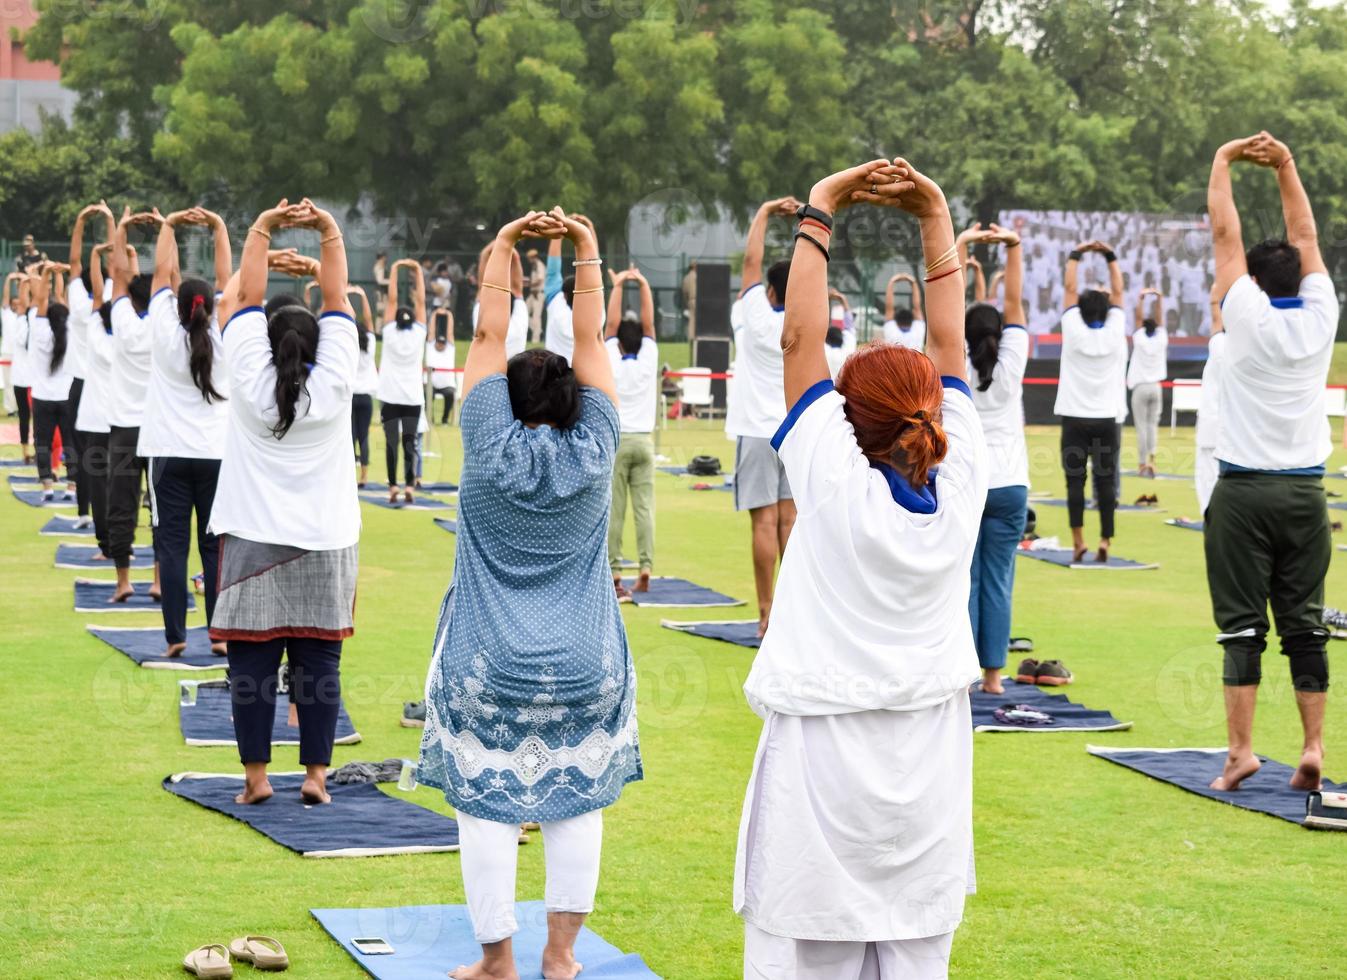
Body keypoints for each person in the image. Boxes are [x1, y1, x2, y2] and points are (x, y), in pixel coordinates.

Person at [735, 158, 985, 979]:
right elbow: (948, 341)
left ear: (847, 419)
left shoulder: (834, 482)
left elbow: (799, 339)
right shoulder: (964, 480)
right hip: (929, 773)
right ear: (933, 412)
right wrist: (934, 215)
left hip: (821, 769)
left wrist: (821, 206)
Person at [417, 208, 641, 980]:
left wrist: (506, 246)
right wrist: (585, 246)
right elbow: (590, 340)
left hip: (486, 667)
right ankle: (561, 956)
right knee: (576, 810)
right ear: (574, 402)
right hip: (586, 664)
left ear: (506, 401)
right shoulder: (596, 443)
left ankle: (498, 961)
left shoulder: (485, 442)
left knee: (484, 813)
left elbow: (486, 338)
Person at [209, 197, 360, 807]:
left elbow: (242, 297)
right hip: (326, 540)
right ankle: (317, 779)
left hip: (250, 539)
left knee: (251, 671)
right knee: (318, 666)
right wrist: (328, 231)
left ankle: (256, 780)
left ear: (268, 344)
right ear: (319, 345)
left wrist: (261, 228)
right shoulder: (336, 380)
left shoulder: (247, 378)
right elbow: (340, 300)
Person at [1203, 132, 1336, 793]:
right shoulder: (1320, 318)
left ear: (1253, 281)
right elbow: (1305, 236)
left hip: (1243, 491)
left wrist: (1223, 160)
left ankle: (1240, 753)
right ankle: (1311, 747)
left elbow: (1223, 233)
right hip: (1306, 496)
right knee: (1303, 625)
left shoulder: (1243, 315)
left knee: (1240, 627)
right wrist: (1285, 163)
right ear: (1299, 279)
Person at [141, 206, 232, 658]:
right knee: (214, 548)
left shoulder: (161, 328)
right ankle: (218, 635)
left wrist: (168, 225)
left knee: (171, 548)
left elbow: (160, 271)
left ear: (177, 306)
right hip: (216, 454)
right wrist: (217, 227)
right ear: (211, 306)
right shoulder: (224, 332)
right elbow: (228, 275)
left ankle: (176, 636)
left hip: (167, 453)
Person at [727, 195, 802, 636]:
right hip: (794, 431)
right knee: (789, 522)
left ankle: (766, 612)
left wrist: (764, 213)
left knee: (764, 523)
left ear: (769, 292)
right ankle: (791, 611)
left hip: (756, 431)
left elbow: (750, 262)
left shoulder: (754, 313)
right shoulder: (805, 319)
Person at [964, 223, 1029, 696]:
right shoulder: (1012, 362)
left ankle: (964, 673)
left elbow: (940, 304)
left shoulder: (953, 360)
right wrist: (1013, 248)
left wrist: (961, 245)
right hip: (1009, 486)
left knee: (962, 578)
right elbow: (1016, 305)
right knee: (998, 580)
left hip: (964, 482)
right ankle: (993, 677)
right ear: (1000, 337)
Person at [1054, 239, 1127, 563]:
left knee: (1075, 483)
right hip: (1106, 419)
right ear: (1107, 310)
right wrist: (1109, 256)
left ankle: (1078, 541)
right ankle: (1105, 542)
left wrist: (1077, 254)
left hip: (1074, 418)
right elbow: (1119, 292)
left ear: (1080, 310)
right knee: (1106, 482)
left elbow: (1069, 288)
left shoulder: (1072, 328)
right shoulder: (1115, 328)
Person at [106, 208, 161, 604]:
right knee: (162, 510)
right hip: (159, 431)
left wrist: (122, 227)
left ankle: (123, 581)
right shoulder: (163, 322)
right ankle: (159, 580)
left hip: (125, 429)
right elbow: (166, 277)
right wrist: (165, 229)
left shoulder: (122, 321)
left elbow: (117, 275)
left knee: (121, 505)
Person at [605, 265, 658, 596]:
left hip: (617, 441)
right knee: (644, 509)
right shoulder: (650, 355)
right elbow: (650, 323)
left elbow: (610, 324)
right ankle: (646, 566)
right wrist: (643, 282)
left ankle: (614, 573)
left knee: (616, 509)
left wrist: (619, 285)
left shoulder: (610, 354)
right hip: (645, 442)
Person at [66, 203, 115, 527]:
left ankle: (86, 514)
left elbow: (73, 262)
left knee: (86, 459)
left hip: (83, 386)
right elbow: (114, 259)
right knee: (116, 460)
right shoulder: (110, 299)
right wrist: (111, 219)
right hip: (109, 386)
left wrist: (81, 222)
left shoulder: (80, 303)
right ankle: (110, 515)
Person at [75, 242, 116, 559]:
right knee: (125, 488)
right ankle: (121, 548)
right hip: (127, 422)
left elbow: (101, 296)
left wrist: (96, 255)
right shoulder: (135, 336)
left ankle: (108, 547)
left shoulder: (95, 333)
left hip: (96, 421)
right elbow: (113, 294)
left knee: (100, 488)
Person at [25, 262, 78, 501]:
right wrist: (62, 278)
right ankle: (72, 487)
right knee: (71, 443)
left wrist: (46, 273)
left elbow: (42, 300)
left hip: (42, 397)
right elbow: (59, 302)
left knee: (43, 443)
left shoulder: (39, 332)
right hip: (66, 397)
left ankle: (47, 486)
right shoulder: (72, 334)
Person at [377, 258, 428, 503]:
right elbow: (421, 301)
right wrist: (417, 271)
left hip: (389, 396)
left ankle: (393, 487)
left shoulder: (388, 332)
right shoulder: (419, 333)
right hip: (412, 398)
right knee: (409, 442)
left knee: (391, 444)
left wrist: (395, 269)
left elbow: (392, 300)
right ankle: (409, 486)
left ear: (395, 320)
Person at [543, 214, 600, 364]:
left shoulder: (556, 302)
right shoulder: (596, 313)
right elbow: (593, 265)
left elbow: (553, 267)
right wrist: (589, 230)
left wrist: (559, 228)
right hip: (584, 376)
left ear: (565, 295)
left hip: (554, 376)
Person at [1127, 287, 1168, 478]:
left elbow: (1137, 319)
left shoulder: (1140, 338)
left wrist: (1141, 299)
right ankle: (1152, 461)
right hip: (1156, 387)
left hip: (1141, 387)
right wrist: (1159, 298)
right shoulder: (1161, 338)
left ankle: (1143, 463)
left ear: (1143, 328)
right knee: (1152, 426)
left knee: (1142, 427)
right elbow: (1160, 319)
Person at [1194, 294, 1225, 515]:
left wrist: (1216, 293)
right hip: (1236, 433)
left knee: (1208, 491)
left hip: (1211, 430)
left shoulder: (1219, 345)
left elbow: (1216, 319)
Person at [349, 284, 378, 487]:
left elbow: (348, 319)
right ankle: (364, 475)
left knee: (349, 435)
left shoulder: (348, 346)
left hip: (350, 396)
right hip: (366, 397)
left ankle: (349, 475)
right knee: (364, 436)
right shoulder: (371, 344)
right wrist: (362, 296)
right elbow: (369, 320)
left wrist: (345, 296)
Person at [5, 272, 34, 463]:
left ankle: (33, 452)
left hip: (28, 378)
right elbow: (22, 303)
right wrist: (25, 282)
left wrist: (26, 282)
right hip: (26, 379)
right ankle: (27, 452)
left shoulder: (27, 321)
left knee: (30, 417)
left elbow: (26, 303)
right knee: (27, 417)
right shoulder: (18, 321)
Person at [882, 272, 926, 350]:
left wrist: (892, 281)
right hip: (916, 362)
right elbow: (917, 307)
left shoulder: (892, 332)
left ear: (896, 321)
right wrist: (913, 282)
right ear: (912, 319)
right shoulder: (918, 332)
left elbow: (889, 308)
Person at [427, 313, 457, 424]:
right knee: (426, 392)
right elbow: (431, 332)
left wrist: (449, 314)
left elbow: (450, 332)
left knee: (450, 394)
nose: (440, 345)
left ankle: (445, 419)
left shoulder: (450, 349)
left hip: (447, 385)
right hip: (432, 384)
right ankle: (430, 418)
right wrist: (434, 314)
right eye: (438, 342)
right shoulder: (430, 347)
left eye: (442, 343)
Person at [524, 248, 546, 344]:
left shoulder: (539, 265)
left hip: (538, 293)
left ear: (534, 257)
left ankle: (535, 339)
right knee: (524, 313)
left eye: (530, 258)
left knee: (537, 316)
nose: (529, 260)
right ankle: (538, 330)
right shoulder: (534, 266)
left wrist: (529, 284)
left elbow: (540, 280)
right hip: (532, 294)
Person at [682, 260, 698, 341]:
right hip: (698, 300)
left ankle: (691, 338)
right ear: (695, 267)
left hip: (690, 300)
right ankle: (698, 337)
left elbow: (684, 291)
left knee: (691, 320)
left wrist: (687, 301)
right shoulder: (698, 276)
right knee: (700, 320)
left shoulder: (686, 277)